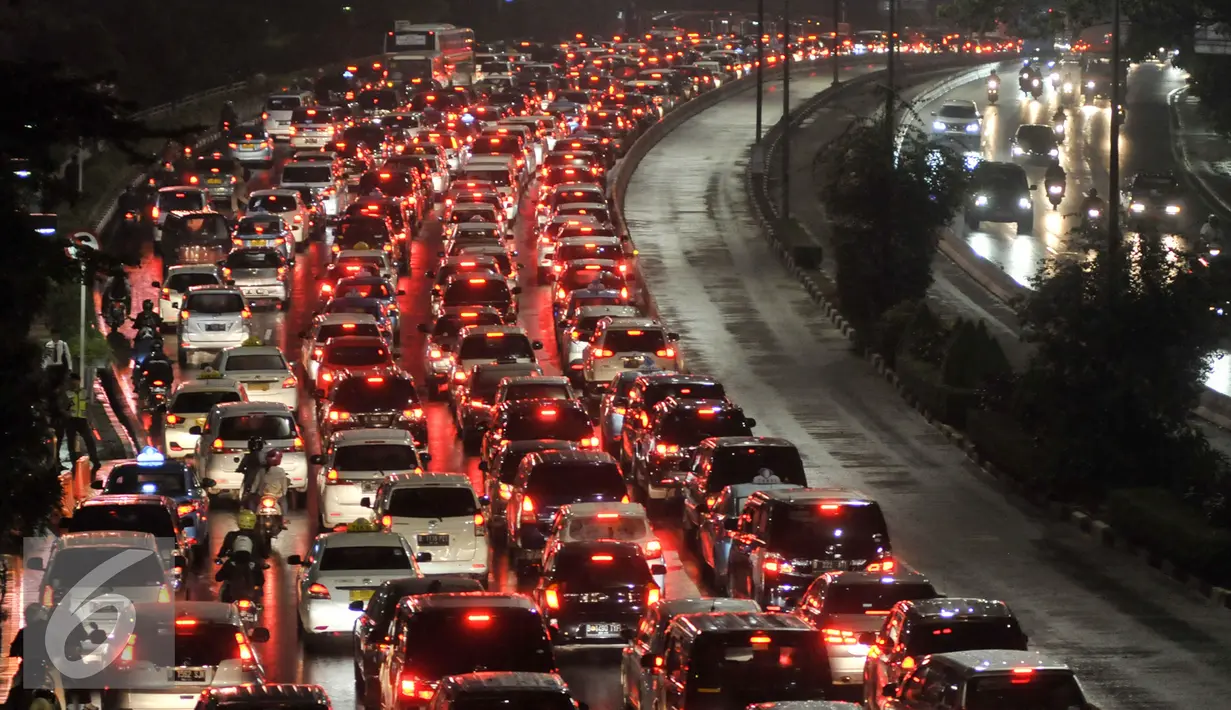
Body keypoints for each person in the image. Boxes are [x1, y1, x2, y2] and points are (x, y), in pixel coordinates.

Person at [215, 511, 267, 597]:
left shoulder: (231, 535)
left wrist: (220, 557)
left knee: (222, 579)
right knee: (259, 584)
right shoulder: (257, 537)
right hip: (252, 566)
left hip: (234, 564)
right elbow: (264, 554)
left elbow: (223, 551)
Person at [57, 374, 99, 471]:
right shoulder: (66, 393)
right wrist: (65, 413)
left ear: (79, 381)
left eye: (75, 381)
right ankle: (74, 464)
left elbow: (88, 407)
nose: (73, 383)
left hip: (82, 419)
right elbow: (60, 406)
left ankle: (95, 461)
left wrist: (91, 419)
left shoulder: (84, 392)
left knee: (89, 441)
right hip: (70, 420)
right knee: (71, 443)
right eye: (71, 381)